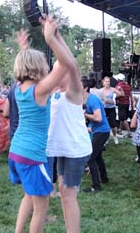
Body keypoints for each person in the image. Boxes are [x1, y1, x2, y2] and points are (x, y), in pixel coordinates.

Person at [8, 17, 77, 233]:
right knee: (41, 208)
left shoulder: (19, 88)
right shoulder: (40, 90)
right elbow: (67, 65)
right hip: (32, 156)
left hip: (16, 152)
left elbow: (25, 63)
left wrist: (24, 48)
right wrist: (50, 38)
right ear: (38, 67)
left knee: (29, 196)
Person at [47, 60, 92, 232]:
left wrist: (53, 38)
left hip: (75, 150)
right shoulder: (56, 92)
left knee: (68, 194)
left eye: (57, 71)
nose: (54, 75)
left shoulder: (74, 92)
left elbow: (71, 63)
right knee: (62, 190)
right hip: (62, 149)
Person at [82, 78, 110, 193]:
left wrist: (85, 114)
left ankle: (96, 186)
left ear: (85, 88)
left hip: (102, 131)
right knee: (97, 156)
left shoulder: (92, 99)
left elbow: (98, 118)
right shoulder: (85, 99)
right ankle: (104, 179)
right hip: (97, 130)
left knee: (90, 157)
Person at [99, 76, 123, 145]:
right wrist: (105, 101)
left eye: (109, 81)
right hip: (104, 109)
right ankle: (106, 139)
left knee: (113, 125)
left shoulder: (112, 89)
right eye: (106, 81)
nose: (107, 83)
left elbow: (121, 94)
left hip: (111, 109)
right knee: (105, 124)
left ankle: (115, 136)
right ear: (103, 82)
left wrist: (120, 89)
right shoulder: (100, 90)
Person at [115, 73, 133, 138]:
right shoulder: (128, 86)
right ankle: (119, 129)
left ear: (118, 79)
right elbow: (131, 95)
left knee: (123, 118)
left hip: (121, 103)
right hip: (127, 103)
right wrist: (132, 104)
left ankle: (129, 133)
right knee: (122, 117)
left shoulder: (118, 86)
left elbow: (116, 95)